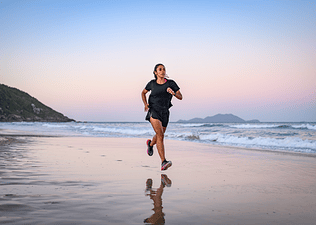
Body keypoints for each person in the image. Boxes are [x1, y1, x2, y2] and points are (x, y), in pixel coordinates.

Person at [141, 63, 182, 170]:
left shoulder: (171, 83)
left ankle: (150, 144)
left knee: (160, 134)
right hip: (154, 111)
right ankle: (163, 161)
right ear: (155, 72)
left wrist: (173, 93)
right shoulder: (152, 83)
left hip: (165, 112)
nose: (162, 71)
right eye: (160, 69)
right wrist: (145, 104)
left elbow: (180, 96)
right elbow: (143, 93)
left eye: (164, 69)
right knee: (160, 135)